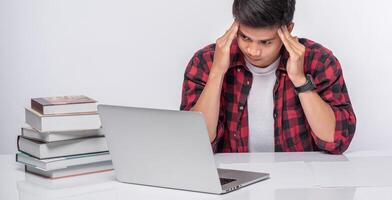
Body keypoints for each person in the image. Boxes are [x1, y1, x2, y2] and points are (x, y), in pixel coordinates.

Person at [180, 0, 356, 154]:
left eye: (266, 42)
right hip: (233, 185)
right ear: (236, 25)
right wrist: (217, 73)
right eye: (245, 37)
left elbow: (337, 141)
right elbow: (194, 145)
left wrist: (300, 81)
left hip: (299, 183)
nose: (253, 51)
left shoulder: (319, 62)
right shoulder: (206, 61)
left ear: (287, 29)